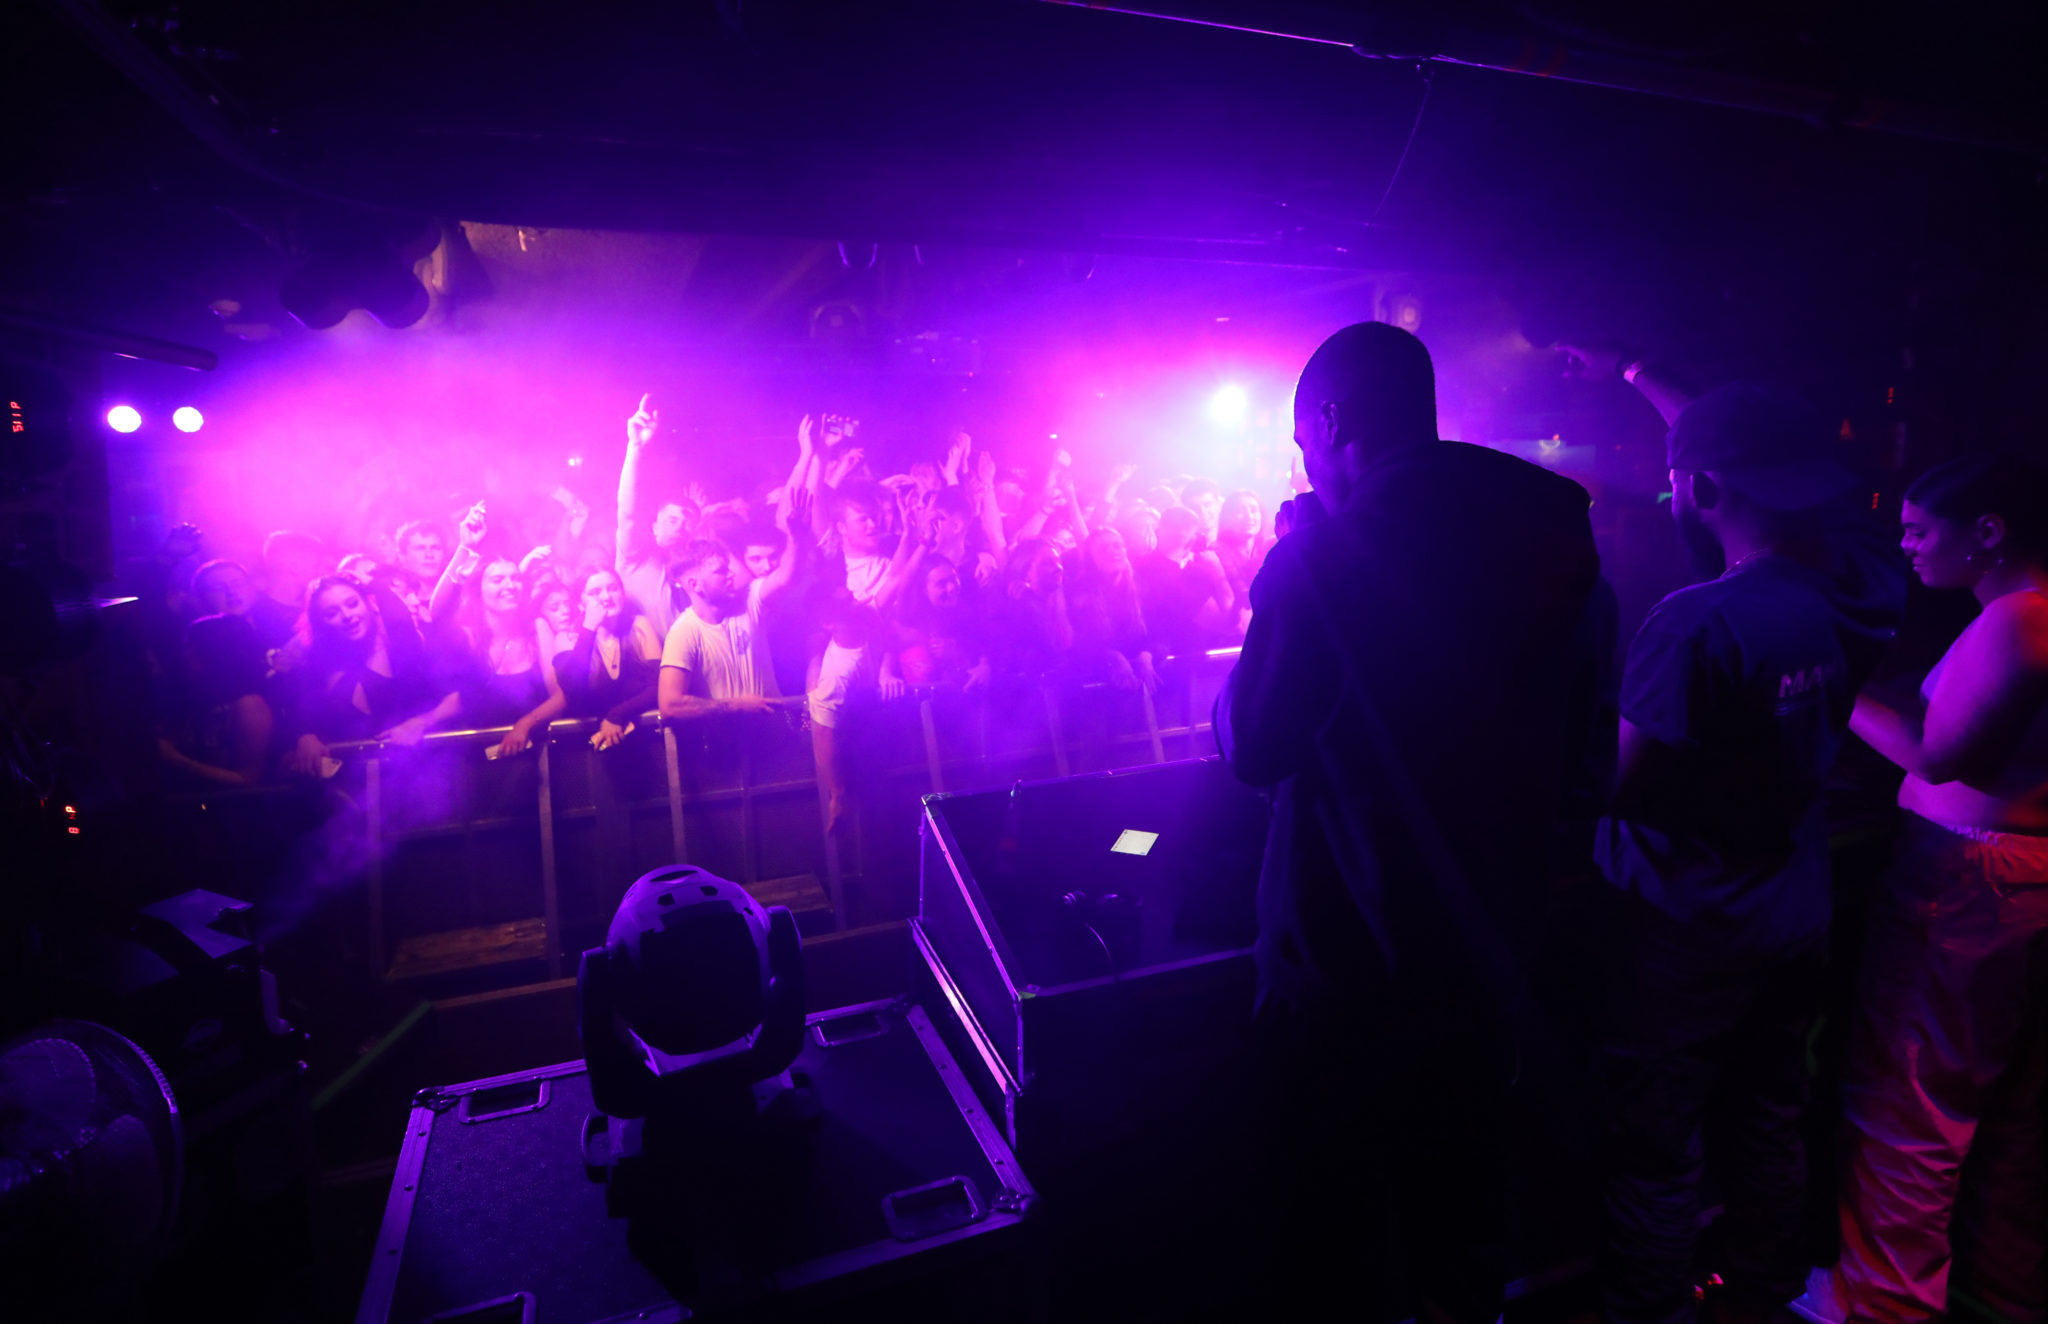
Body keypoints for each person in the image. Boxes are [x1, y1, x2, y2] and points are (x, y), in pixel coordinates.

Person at [1219, 321, 1610, 1324]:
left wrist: (1282, 574)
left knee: (1328, 1235)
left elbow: (1252, 744)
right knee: (1459, 1231)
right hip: (1491, 950)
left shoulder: (1322, 559)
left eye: (1304, 442)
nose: (1306, 462)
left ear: (1332, 421)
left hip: (1343, 956)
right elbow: (1583, 768)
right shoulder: (1560, 537)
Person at [1593, 381, 1905, 1323]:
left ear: (1703, 488)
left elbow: (1622, 783)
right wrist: (1650, 379)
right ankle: (1764, 1296)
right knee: (1772, 1116)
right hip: (1792, 906)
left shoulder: (1692, 622)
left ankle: (1652, 1310)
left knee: (1656, 1148)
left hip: (1686, 927)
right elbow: (1759, 459)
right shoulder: (1854, 593)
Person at [1800, 455, 2048, 1324]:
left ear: (1988, 533)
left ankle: (1884, 1307)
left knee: (1913, 1102)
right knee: (2014, 1116)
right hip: (2022, 879)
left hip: (1966, 880)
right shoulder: (2024, 615)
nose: (1904, 544)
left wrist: (1834, 681)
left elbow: (1937, 755)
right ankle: (2000, 1293)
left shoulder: (2018, 619)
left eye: (1919, 529)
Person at [285, 575, 460, 774]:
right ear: (321, 623)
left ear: (368, 603)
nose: (347, 615)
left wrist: (421, 722)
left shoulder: (404, 646)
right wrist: (306, 737)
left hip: (422, 771)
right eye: (332, 613)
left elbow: (456, 698)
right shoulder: (317, 668)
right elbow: (305, 718)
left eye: (352, 604)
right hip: (354, 783)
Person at [658, 491, 808, 720]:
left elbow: (786, 577)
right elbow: (669, 705)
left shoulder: (749, 599)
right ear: (694, 584)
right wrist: (735, 705)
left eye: (727, 567)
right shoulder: (684, 632)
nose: (731, 575)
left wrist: (797, 538)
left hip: (776, 734)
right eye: (720, 571)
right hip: (729, 747)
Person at [457, 554, 566, 758]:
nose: (510, 585)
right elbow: (456, 699)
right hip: (477, 757)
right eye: (498, 580)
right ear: (478, 590)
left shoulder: (537, 629)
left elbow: (560, 696)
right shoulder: (468, 636)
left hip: (533, 755)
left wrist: (523, 725)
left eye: (515, 578)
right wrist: (423, 721)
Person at [158, 612, 274, 788]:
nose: (184, 654)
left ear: (212, 652)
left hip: (233, 810)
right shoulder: (196, 695)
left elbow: (248, 780)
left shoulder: (249, 705)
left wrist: (176, 759)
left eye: (191, 647)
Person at [554, 566, 664, 751]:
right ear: (580, 603)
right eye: (595, 592)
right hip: (589, 747)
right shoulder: (567, 639)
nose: (606, 597)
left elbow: (658, 685)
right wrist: (589, 627)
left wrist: (617, 715)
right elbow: (571, 688)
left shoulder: (639, 626)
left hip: (643, 742)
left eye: (612, 588)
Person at [617, 393, 697, 636]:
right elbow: (628, 512)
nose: (681, 527)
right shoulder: (637, 559)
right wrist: (635, 449)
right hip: (649, 669)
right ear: (654, 526)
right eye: (672, 520)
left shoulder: (693, 570)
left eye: (687, 523)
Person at [1068, 527, 1157, 691]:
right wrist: (1112, 657)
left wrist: (1148, 654)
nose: (1112, 551)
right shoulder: (1078, 596)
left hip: (1147, 684)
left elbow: (1162, 634)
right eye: (1103, 549)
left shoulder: (1143, 587)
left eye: (1117, 546)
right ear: (1090, 559)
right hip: (1099, 690)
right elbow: (1078, 646)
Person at [250, 529, 328, 649]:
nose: (324, 571)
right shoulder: (259, 618)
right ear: (294, 568)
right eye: (317, 565)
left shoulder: (317, 604)